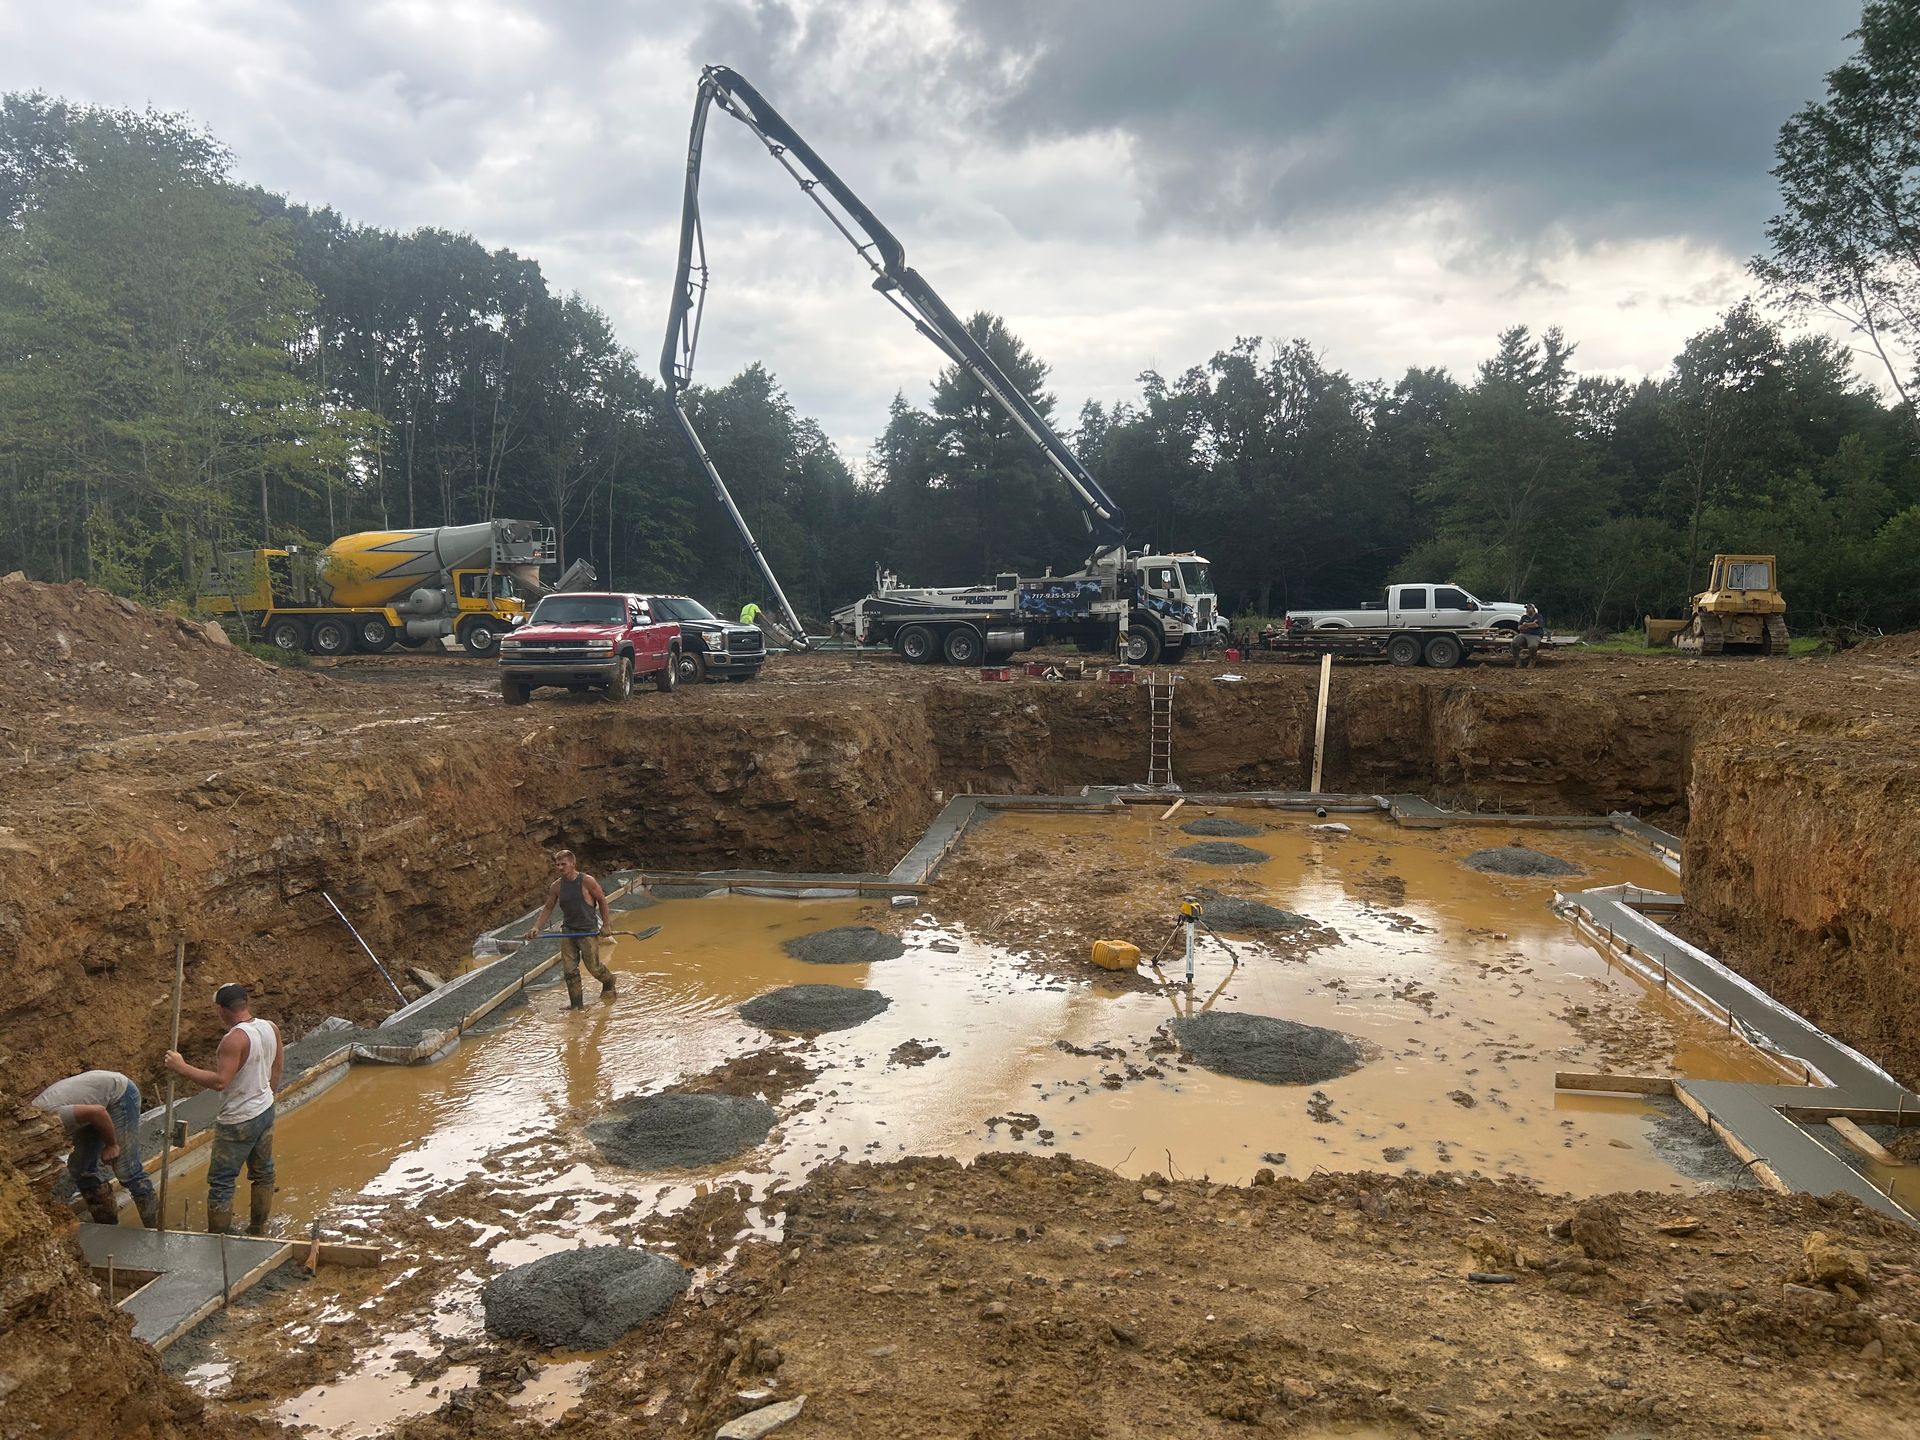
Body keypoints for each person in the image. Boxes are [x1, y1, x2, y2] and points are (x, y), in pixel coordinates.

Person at [164, 983, 282, 1236]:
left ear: (222, 1010)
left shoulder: (234, 1039)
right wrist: (267, 1096)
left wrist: (181, 1067)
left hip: (238, 1120)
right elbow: (277, 1067)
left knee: (221, 1181)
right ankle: (258, 1229)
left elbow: (220, 1082)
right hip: (265, 1109)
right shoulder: (270, 1027)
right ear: (245, 1002)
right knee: (263, 1173)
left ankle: (221, 1237)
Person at [31, 1069, 160, 1227]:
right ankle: (107, 1227)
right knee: (82, 1169)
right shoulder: (32, 1130)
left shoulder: (50, 1118)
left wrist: (111, 1145)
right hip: (93, 1106)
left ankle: (156, 1229)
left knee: (126, 1169)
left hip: (119, 1094)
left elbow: (97, 1112)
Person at [526, 849, 616, 1009]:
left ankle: (609, 982)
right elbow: (548, 907)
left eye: (563, 864)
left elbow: (602, 900)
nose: (560, 867)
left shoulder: (587, 881)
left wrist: (606, 925)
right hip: (568, 931)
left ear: (573, 864)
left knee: (594, 968)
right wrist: (536, 927)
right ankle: (576, 1005)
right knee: (569, 970)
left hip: (587, 930)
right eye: (557, 864)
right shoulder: (556, 886)